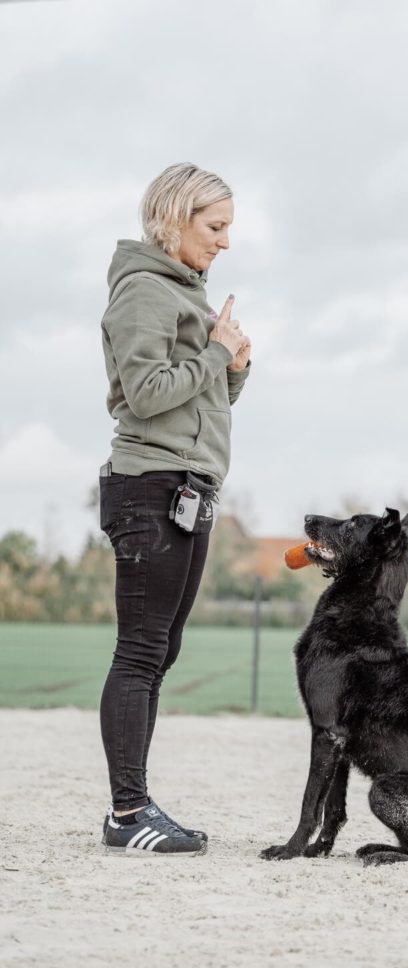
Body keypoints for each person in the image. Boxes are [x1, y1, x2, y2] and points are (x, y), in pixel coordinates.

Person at [98, 163, 251, 855]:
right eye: (214, 227)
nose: (223, 242)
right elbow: (146, 394)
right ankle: (127, 815)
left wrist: (234, 368)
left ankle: (137, 805)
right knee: (139, 652)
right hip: (150, 486)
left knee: (161, 650)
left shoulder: (187, 295)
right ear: (174, 218)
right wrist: (216, 351)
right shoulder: (143, 292)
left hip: (189, 487)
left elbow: (198, 403)